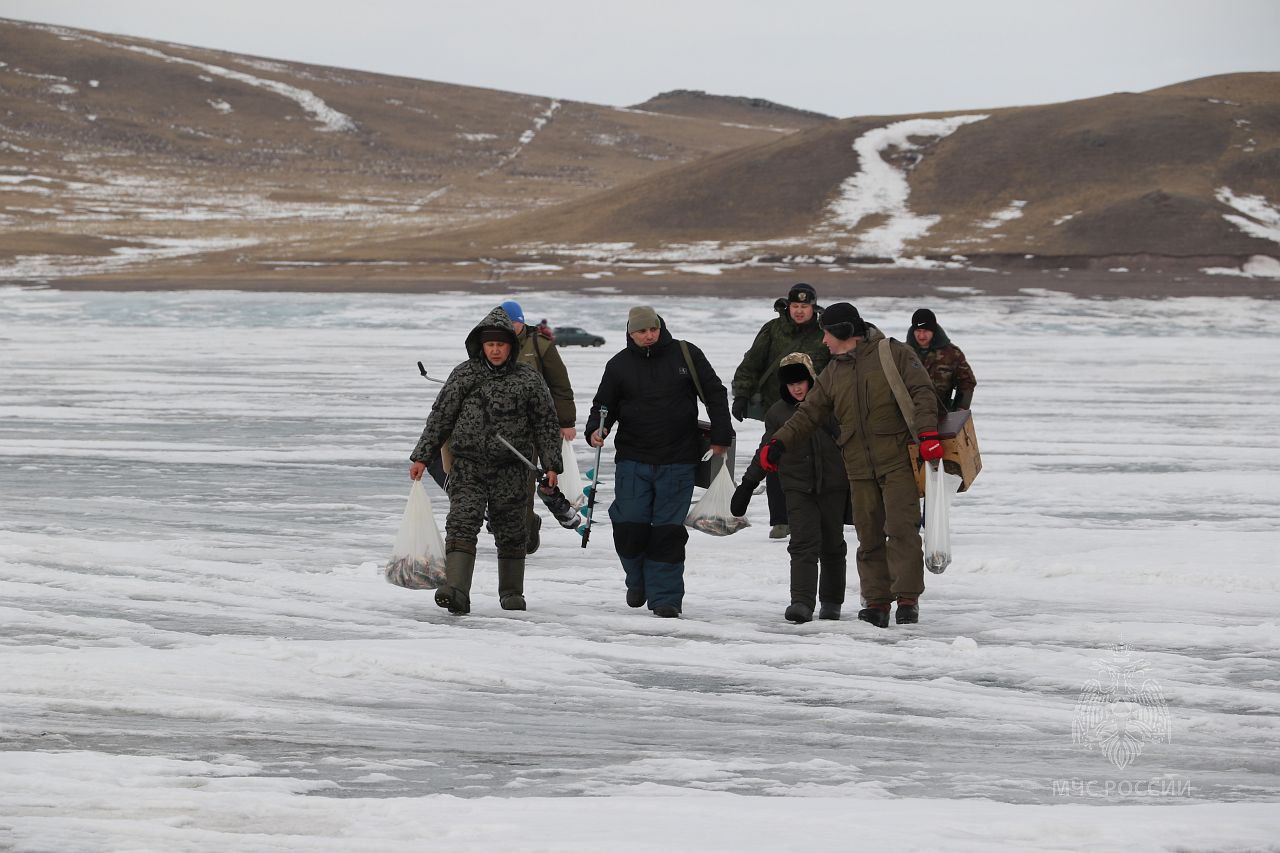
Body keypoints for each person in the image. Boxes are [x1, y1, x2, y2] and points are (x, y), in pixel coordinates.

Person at [758, 303, 943, 628]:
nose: (824, 341)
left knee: (902, 530)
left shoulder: (893, 353)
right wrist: (779, 442)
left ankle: (907, 599)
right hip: (857, 465)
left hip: (896, 458)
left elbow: (922, 391)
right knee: (869, 536)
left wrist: (927, 432)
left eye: (827, 334)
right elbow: (808, 414)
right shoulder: (833, 372)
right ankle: (877, 602)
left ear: (843, 332)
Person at [408, 307, 562, 615]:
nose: (495, 349)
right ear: (481, 345)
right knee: (462, 523)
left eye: (501, 344)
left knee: (512, 528)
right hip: (468, 465)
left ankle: (511, 593)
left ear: (511, 346)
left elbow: (545, 423)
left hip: (512, 467)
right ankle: (456, 590)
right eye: (489, 344)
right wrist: (422, 456)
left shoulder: (527, 379)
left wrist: (553, 464)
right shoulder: (464, 374)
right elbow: (440, 417)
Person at [585, 305, 733, 618]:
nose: (649, 336)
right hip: (633, 461)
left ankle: (666, 598)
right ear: (631, 333)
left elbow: (715, 392)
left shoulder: (685, 355)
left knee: (667, 532)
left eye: (653, 329)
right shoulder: (619, 365)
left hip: (678, 460)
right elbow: (603, 405)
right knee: (629, 526)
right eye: (642, 331)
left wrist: (722, 432)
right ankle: (637, 579)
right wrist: (596, 430)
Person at [731, 352, 848, 624]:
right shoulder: (777, 414)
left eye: (801, 382)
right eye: (790, 383)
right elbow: (766, 451)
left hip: (833, 485)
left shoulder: (830, 405)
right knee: (803, 543)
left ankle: (831, 602)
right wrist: (748, 484)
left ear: (811, 379)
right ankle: (802, 602)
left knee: (832, 544)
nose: (796, 388)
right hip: (797, 486)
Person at [731, 283, 829, 540]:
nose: (799, 311)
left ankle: (818, 514)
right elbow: (751, 363)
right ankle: (780, 520)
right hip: (779, 408)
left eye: (804, 307)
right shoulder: (773, 330)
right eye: (795, 306)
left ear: (813, 308)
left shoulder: (824, 333)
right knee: (774, 459)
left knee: (815, 460)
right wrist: (741, 395)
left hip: (817, 409)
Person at [500, 300, 577, 554]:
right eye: (505, 322)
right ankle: (513, 528)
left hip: (532, 426)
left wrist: (566, 422)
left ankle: (523, 537)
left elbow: (560, 385)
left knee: (524, 482)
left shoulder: (540, 346)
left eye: (514, 322)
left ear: (521, 321)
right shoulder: (492, 345)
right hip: (498, 428)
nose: (510, 327)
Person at [907, 308, 976, 411]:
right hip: (908, 415)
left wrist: (960, 409)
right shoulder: (904, 353)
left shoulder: (952, 354)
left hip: (941, 415)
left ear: (933, 330)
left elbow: (967, 381)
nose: (921, 336)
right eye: (918, 331)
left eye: (926, 331)